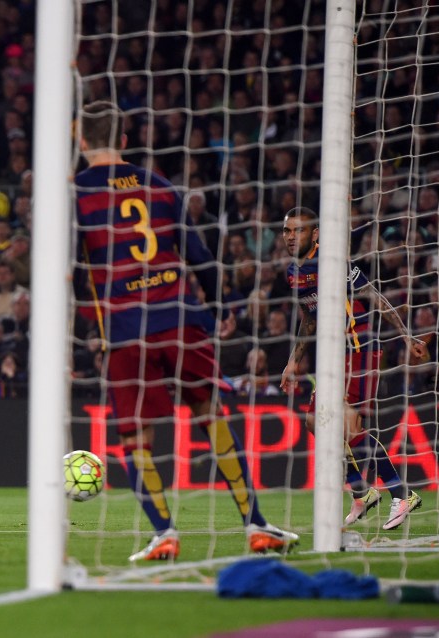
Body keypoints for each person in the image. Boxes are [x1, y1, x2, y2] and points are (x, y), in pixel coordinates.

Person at [75, 101, 297, 561]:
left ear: (81, 140)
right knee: (209, 413)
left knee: (137, 438)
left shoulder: (75, 193)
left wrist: (84, 327)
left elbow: (74, 271)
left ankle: (164, 533)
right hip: (180, 317)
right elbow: (200, 255)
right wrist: (222, 309)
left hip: (124, 327)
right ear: (122, 140)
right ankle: (256, 526)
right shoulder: (159, 185)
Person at [279, 206, 426, 530]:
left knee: (348, 426)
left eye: (298, 230)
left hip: (360, 349)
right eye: (287, 231)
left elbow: (375, 298)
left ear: (315, 234)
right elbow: (310, 317)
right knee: (314, 422)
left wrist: (406, 335)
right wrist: (293, 360)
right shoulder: (293, 272)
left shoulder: (332, 264)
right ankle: (362, 494)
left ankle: (402, 495)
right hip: (333, 354)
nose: (291, 237)